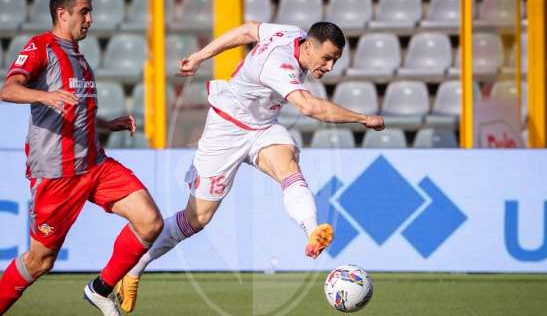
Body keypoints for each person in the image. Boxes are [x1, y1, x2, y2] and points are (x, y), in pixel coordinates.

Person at [115, 21, 385, 313]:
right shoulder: (278, 64)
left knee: (289, 166)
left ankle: (311, 232)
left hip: (262, 128)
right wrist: (363, 118)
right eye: (327, 58)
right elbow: (309, 107)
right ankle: (134, 269)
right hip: (226, 129)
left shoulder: (292, 33)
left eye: (335, 60)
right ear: (309, 46)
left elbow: (246, 31)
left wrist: (201, 56)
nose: (330, 67)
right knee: (198, 219)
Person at [0, 0, 163, 315]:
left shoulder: (80, 59)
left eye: (91, 11)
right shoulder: (41, 47)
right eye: (84, 12)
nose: (90, 18)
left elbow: (75, 110)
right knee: (39, 261)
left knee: (150, 222)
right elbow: (8, 89)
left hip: (95, 164)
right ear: (62, 13)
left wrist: (106, 124)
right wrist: (44, 96)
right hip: (57, 173)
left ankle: (100, 290)